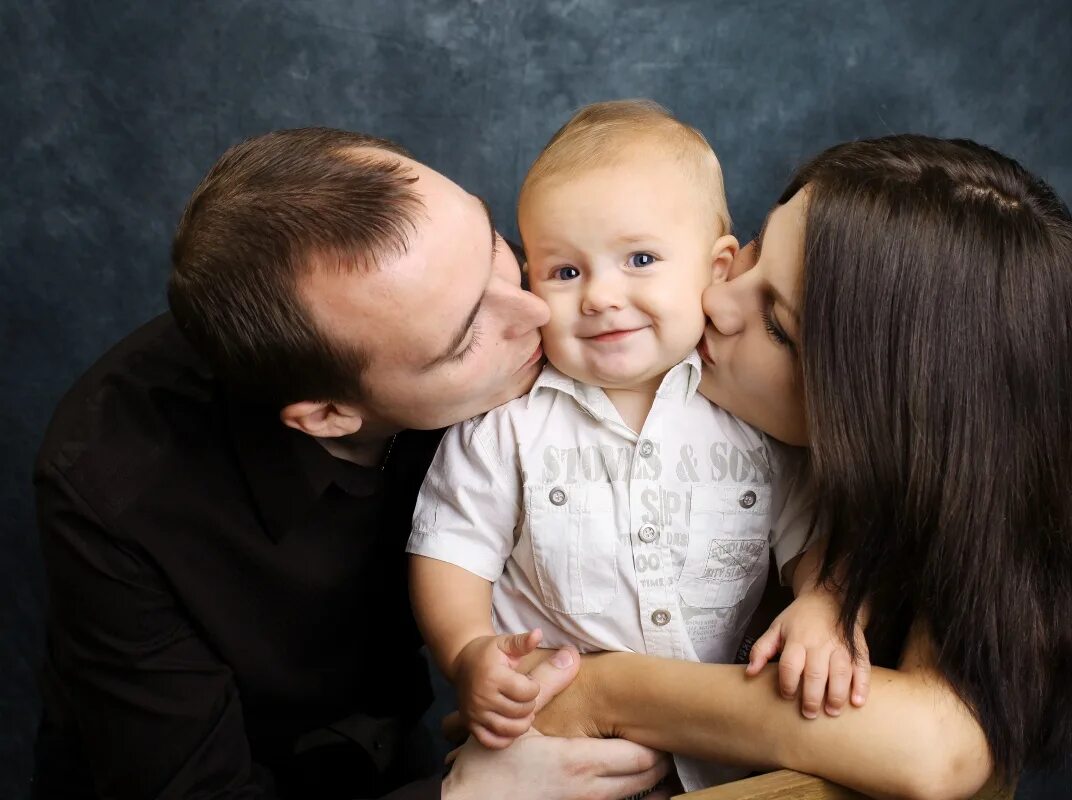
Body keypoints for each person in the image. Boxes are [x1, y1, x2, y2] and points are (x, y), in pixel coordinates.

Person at [32, 127, 669, 800]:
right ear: (329, 417)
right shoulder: (110, 485)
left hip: (419, 749)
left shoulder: (457, 290)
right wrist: (472, 798)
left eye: (490, 248)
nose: (537, 310)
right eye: (465, 335)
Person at [529, 134, 1072, 800]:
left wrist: (603, 689)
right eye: (755, 253)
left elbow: (939, 748)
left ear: (883, 407)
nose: (717, 301)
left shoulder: (970, 523)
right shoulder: (605, 373)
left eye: (780, 328)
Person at [405, 100, 864, 793]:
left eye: (640, 259)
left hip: (718, 753)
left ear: (716, 267)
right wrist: (469, 652)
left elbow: (810, 537)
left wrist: (822, 606)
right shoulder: (504, 423)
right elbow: (450, 550)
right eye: (565, 272)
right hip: (545, 743)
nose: (599, 297)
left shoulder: (750, 414)